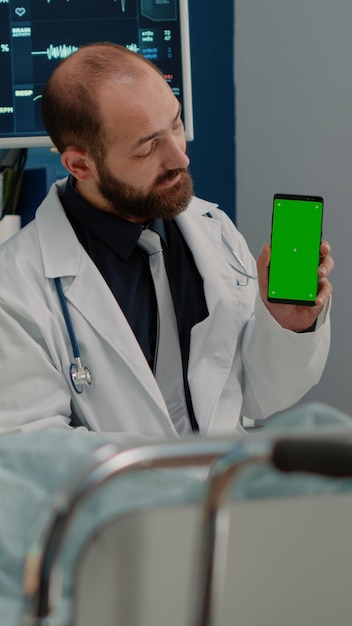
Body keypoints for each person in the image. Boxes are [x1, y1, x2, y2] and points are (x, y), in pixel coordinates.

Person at [0, 43, 333, 447]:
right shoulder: (14, 288)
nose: (179, 157)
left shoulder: (213, 231)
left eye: (175, 124)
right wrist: (165, 487)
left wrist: (285, 325)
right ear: (80, 165)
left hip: (220, 499)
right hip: (117, 507)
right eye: (147, 147)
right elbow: (31, 449)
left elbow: (261, 397)